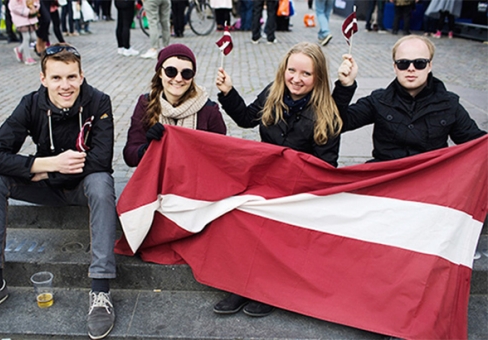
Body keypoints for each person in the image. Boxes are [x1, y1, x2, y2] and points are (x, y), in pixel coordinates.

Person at [0, 43, 118, 340]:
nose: (65, 85)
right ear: (43, 79)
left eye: (71, 77)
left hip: (79, 187)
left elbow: (101, 162)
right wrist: (45, 164)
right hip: (44, 183)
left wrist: (45, 172)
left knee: (101, 184)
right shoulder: (31, 104)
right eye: (56, 78)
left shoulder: (99, 102)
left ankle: (100, 291)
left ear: (82, 76)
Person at [213, 41, 358, 316]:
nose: (296, 78)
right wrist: (228, 92)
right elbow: (245, 119)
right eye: (292, 70)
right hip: (266, 181)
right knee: (239, 214)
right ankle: (240, 284)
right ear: (284, 70)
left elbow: (326, 166)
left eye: (306, 74)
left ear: (318, 78)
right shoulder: (273, 92)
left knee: (277, 224)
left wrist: (346, 86)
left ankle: (266, 288)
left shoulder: (326, 110)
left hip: (300, 190)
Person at [340, 35, 486, 162]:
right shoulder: (378, 100)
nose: (411, 69)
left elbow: (478, 145)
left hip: (429, 183)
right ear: (395, 67)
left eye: (419, 63)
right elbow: (336, 124)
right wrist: (345, 86)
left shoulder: (449, 105)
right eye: (403, 63)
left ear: (429, 66)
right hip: (386, 180)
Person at [124, 43, 227, 167]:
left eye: (186, 73)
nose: (178, 79)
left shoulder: (209, 109)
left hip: (196, 180)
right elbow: (130, 155)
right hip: (158, 180)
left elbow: (221, 156)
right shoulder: (146, 103)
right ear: (160, 73)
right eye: (171, 71)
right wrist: (148, 147)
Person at [9, 0, 40, 65]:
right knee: (26, 38)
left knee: (33, 37)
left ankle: (19, 49)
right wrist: (27, 11)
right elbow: (14, 7)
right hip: (21, 19)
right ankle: (28, 57)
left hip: (30, 18)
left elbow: (36, 2)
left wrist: (34, 7)